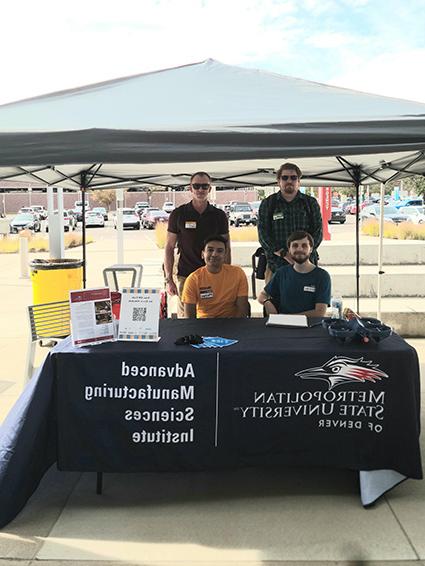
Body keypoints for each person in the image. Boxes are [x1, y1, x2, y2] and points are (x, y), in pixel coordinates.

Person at [164, 172, 230, 317]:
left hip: (213, 275)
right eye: (197, 186)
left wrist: (227, 273)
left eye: (204, 186)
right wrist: (169, 279)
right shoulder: (178, 214)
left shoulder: (219, 215)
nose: (200, 190)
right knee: (187, 320)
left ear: (210, 189)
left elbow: (226, 247)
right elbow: (169, 247)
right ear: (190, 188)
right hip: (186, 275)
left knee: (211, 315)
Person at [257, 162, 323, 283]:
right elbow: (263, 235)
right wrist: (285, 254)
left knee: (307, 301)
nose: (289, 180)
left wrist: (302, 255)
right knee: (274, 301)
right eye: (285, 177)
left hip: (307, 265)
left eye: (293, 177)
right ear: (278, 181)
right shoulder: (268, 204)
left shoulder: (310, 203)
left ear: (299, 181)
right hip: (276, 266)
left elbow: (318, 233)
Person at [258, 231, 331, 318]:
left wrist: (287, 318)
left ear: (311, 249)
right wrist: (266, 302)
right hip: (283, 327)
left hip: (310, 327)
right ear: (289, 249)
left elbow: (320, 312)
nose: (299, 249)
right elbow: (262, 296)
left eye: (304, 245)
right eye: (295, 245)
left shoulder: (322, 276)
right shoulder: (281, 273)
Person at [182, 235, 249, 319]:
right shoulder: (193, 279)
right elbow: (189, 317)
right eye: (210, 250)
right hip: (204, 324)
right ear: (203, 254)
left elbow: (242, 310)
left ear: (225, 255)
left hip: (231, 323)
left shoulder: (238, 274)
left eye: (220, 251)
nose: (214, 254)